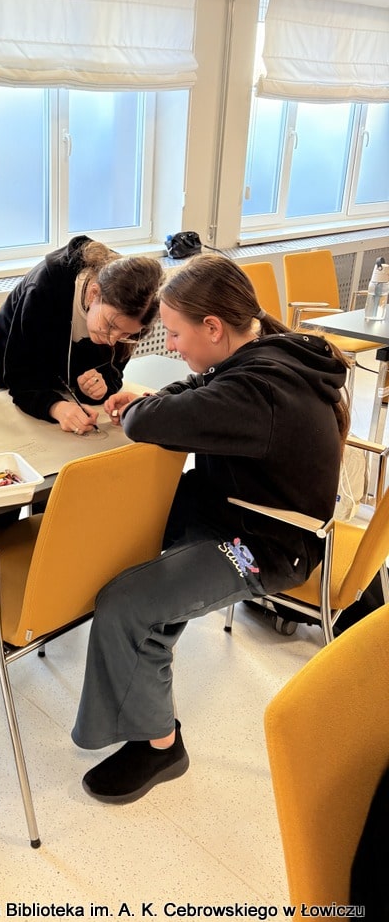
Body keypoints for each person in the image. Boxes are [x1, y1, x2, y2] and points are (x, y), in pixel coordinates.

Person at [72, 255, 350, 804]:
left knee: (128, 602)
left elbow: (155, 419)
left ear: (214, 328)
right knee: (128, 533)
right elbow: (197, 386)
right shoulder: (265, 353)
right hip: (234, 509)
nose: (172, 346)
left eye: (176, 334)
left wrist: (144, 406)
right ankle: (144, 664)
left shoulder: (258, 393)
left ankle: (159, 746)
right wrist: (158, 397)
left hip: (267, 544)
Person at [0, 235, 163, 433]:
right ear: (93, 294)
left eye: (127, 334)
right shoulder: (44, 289)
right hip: (18, 376)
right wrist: (55, 407)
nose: (113, 340)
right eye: (110, 326)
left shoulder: (134, 302)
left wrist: (98, 388)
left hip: (63, 390)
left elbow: (113, 372)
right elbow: (20, 378)